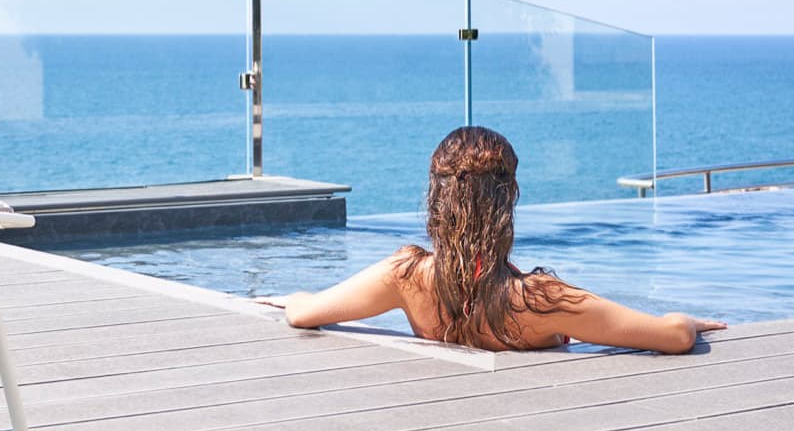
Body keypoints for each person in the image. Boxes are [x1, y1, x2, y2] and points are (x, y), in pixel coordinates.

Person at [255, 125, 725, 354]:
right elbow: (674, 339)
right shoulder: (541, 300)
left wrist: (293, 297)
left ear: (437, 198)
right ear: (507, 201)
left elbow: (304, 313)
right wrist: (684, 319)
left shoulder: (406, 276)